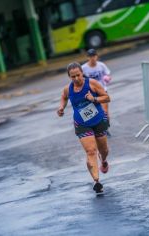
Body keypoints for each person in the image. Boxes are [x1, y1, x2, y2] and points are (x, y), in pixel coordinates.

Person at [57, 62, 110, 194]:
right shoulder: (68, 89)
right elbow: (63, 97)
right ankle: (97, 182)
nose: (76, 79)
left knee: (103, 149)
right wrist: (61, 107)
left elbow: (107, 98)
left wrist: (94, 99)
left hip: (98, 119)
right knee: (90, 151)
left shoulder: (92, 83)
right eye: (73, 76)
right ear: (69, 77)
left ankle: (103, 161)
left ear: (82, 73)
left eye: (78, 75)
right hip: (82, 123)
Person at [81, 49, 112, 135]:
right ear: (87, 57)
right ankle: (95, 128)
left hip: (102, 91)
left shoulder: (101, 65)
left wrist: (107, 78)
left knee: (105, 111)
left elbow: (108, 74)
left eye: (94, 56)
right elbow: (80, 79)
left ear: (97, 56)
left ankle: (106, 128)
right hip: (90, 93)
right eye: (90, 56)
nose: (93, 58)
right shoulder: (83, 68)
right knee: (93, 112)